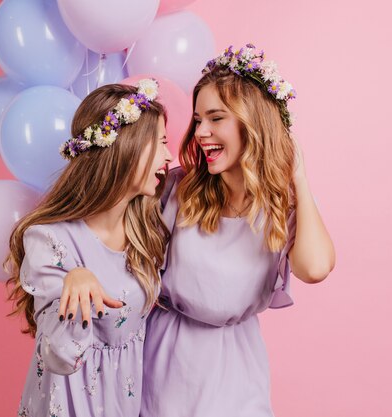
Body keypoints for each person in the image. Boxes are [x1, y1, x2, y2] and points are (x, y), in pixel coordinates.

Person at [60, 44, 336, 417]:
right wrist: (74, 272)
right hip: (165, 360)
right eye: (198, 119)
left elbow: (315, 268)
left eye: (216, 118)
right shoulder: (178, 188)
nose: (201, 132)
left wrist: (297, 176)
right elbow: (102, 228)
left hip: (236, 369)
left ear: (252, 124)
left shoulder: (281, 206)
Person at [3, 80, 172, 417]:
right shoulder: (50, 240)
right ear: (128, 147)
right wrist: (75, 282)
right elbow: (58, 355)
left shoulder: (145, 230)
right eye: (161, 143)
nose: (169, 156)